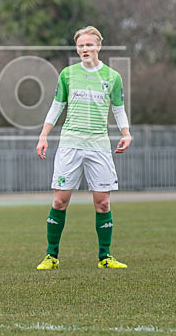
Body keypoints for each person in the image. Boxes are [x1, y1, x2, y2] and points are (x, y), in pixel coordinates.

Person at [36, 26, 131, 270]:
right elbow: (56, 107)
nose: (85, 49)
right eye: (80, 45)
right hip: (70, 144)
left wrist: (126, 133)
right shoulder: (68, 74)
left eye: (89, 45)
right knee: (60, 201)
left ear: (98, 46)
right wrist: (44, 135)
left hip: (99, 146)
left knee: (103, 203)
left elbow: (118, 109)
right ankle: (51, 256)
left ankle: (105, 257)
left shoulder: (112, 77)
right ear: (76, 49)